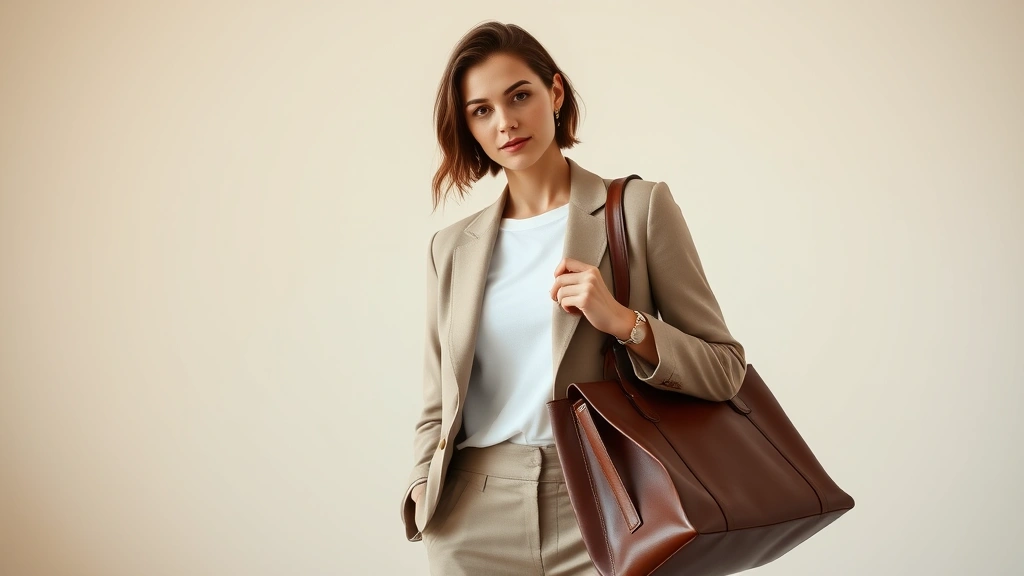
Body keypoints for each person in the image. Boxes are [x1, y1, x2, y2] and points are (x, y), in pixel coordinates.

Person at [400, 21, 746, 576]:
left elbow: (725, 369)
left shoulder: (639, 209)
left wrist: (624, 322)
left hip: (608, 502)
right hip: (472, 515)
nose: (506, 122)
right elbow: (438, 401)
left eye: (519, 96)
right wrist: (422, 484)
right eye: (481, 110)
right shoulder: (452, 248)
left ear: (554, 93)